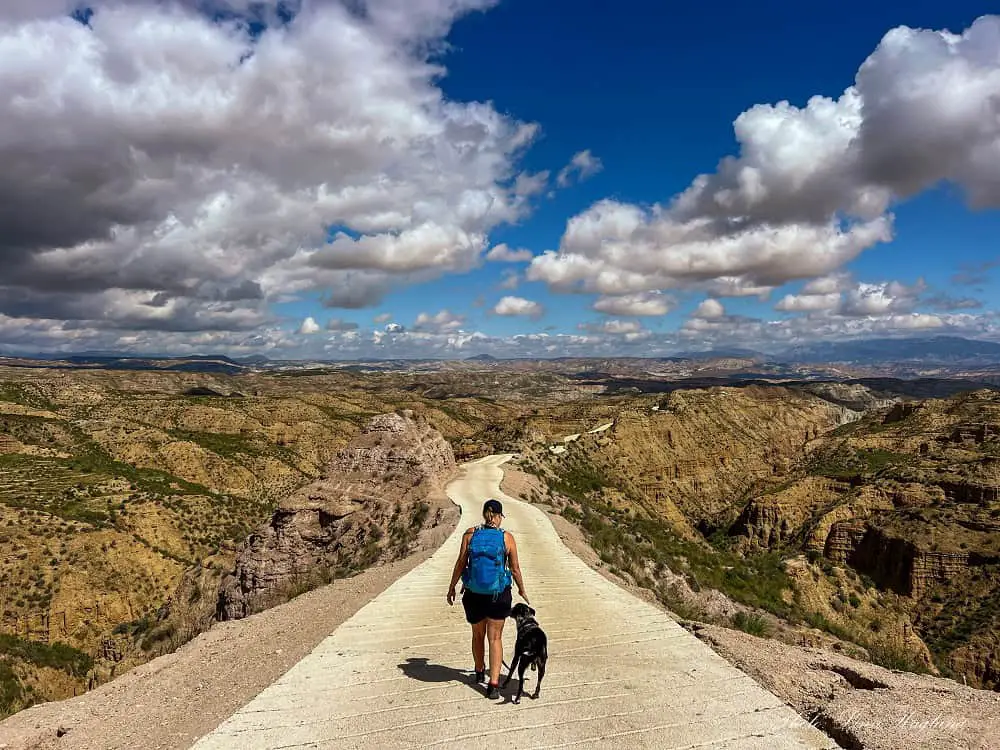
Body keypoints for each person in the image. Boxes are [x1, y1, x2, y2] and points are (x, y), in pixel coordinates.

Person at [447, 498, 527, 699]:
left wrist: (452, 587)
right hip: (498, 595)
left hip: (473, 594)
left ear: (484, 514)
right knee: (495, 638)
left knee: (477, 635)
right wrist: (522, 590)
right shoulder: (506, 538)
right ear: (499, 516)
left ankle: (479, 670)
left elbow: (460, 563)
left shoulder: (470, 534)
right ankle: (493, 685)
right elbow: (515, 569)